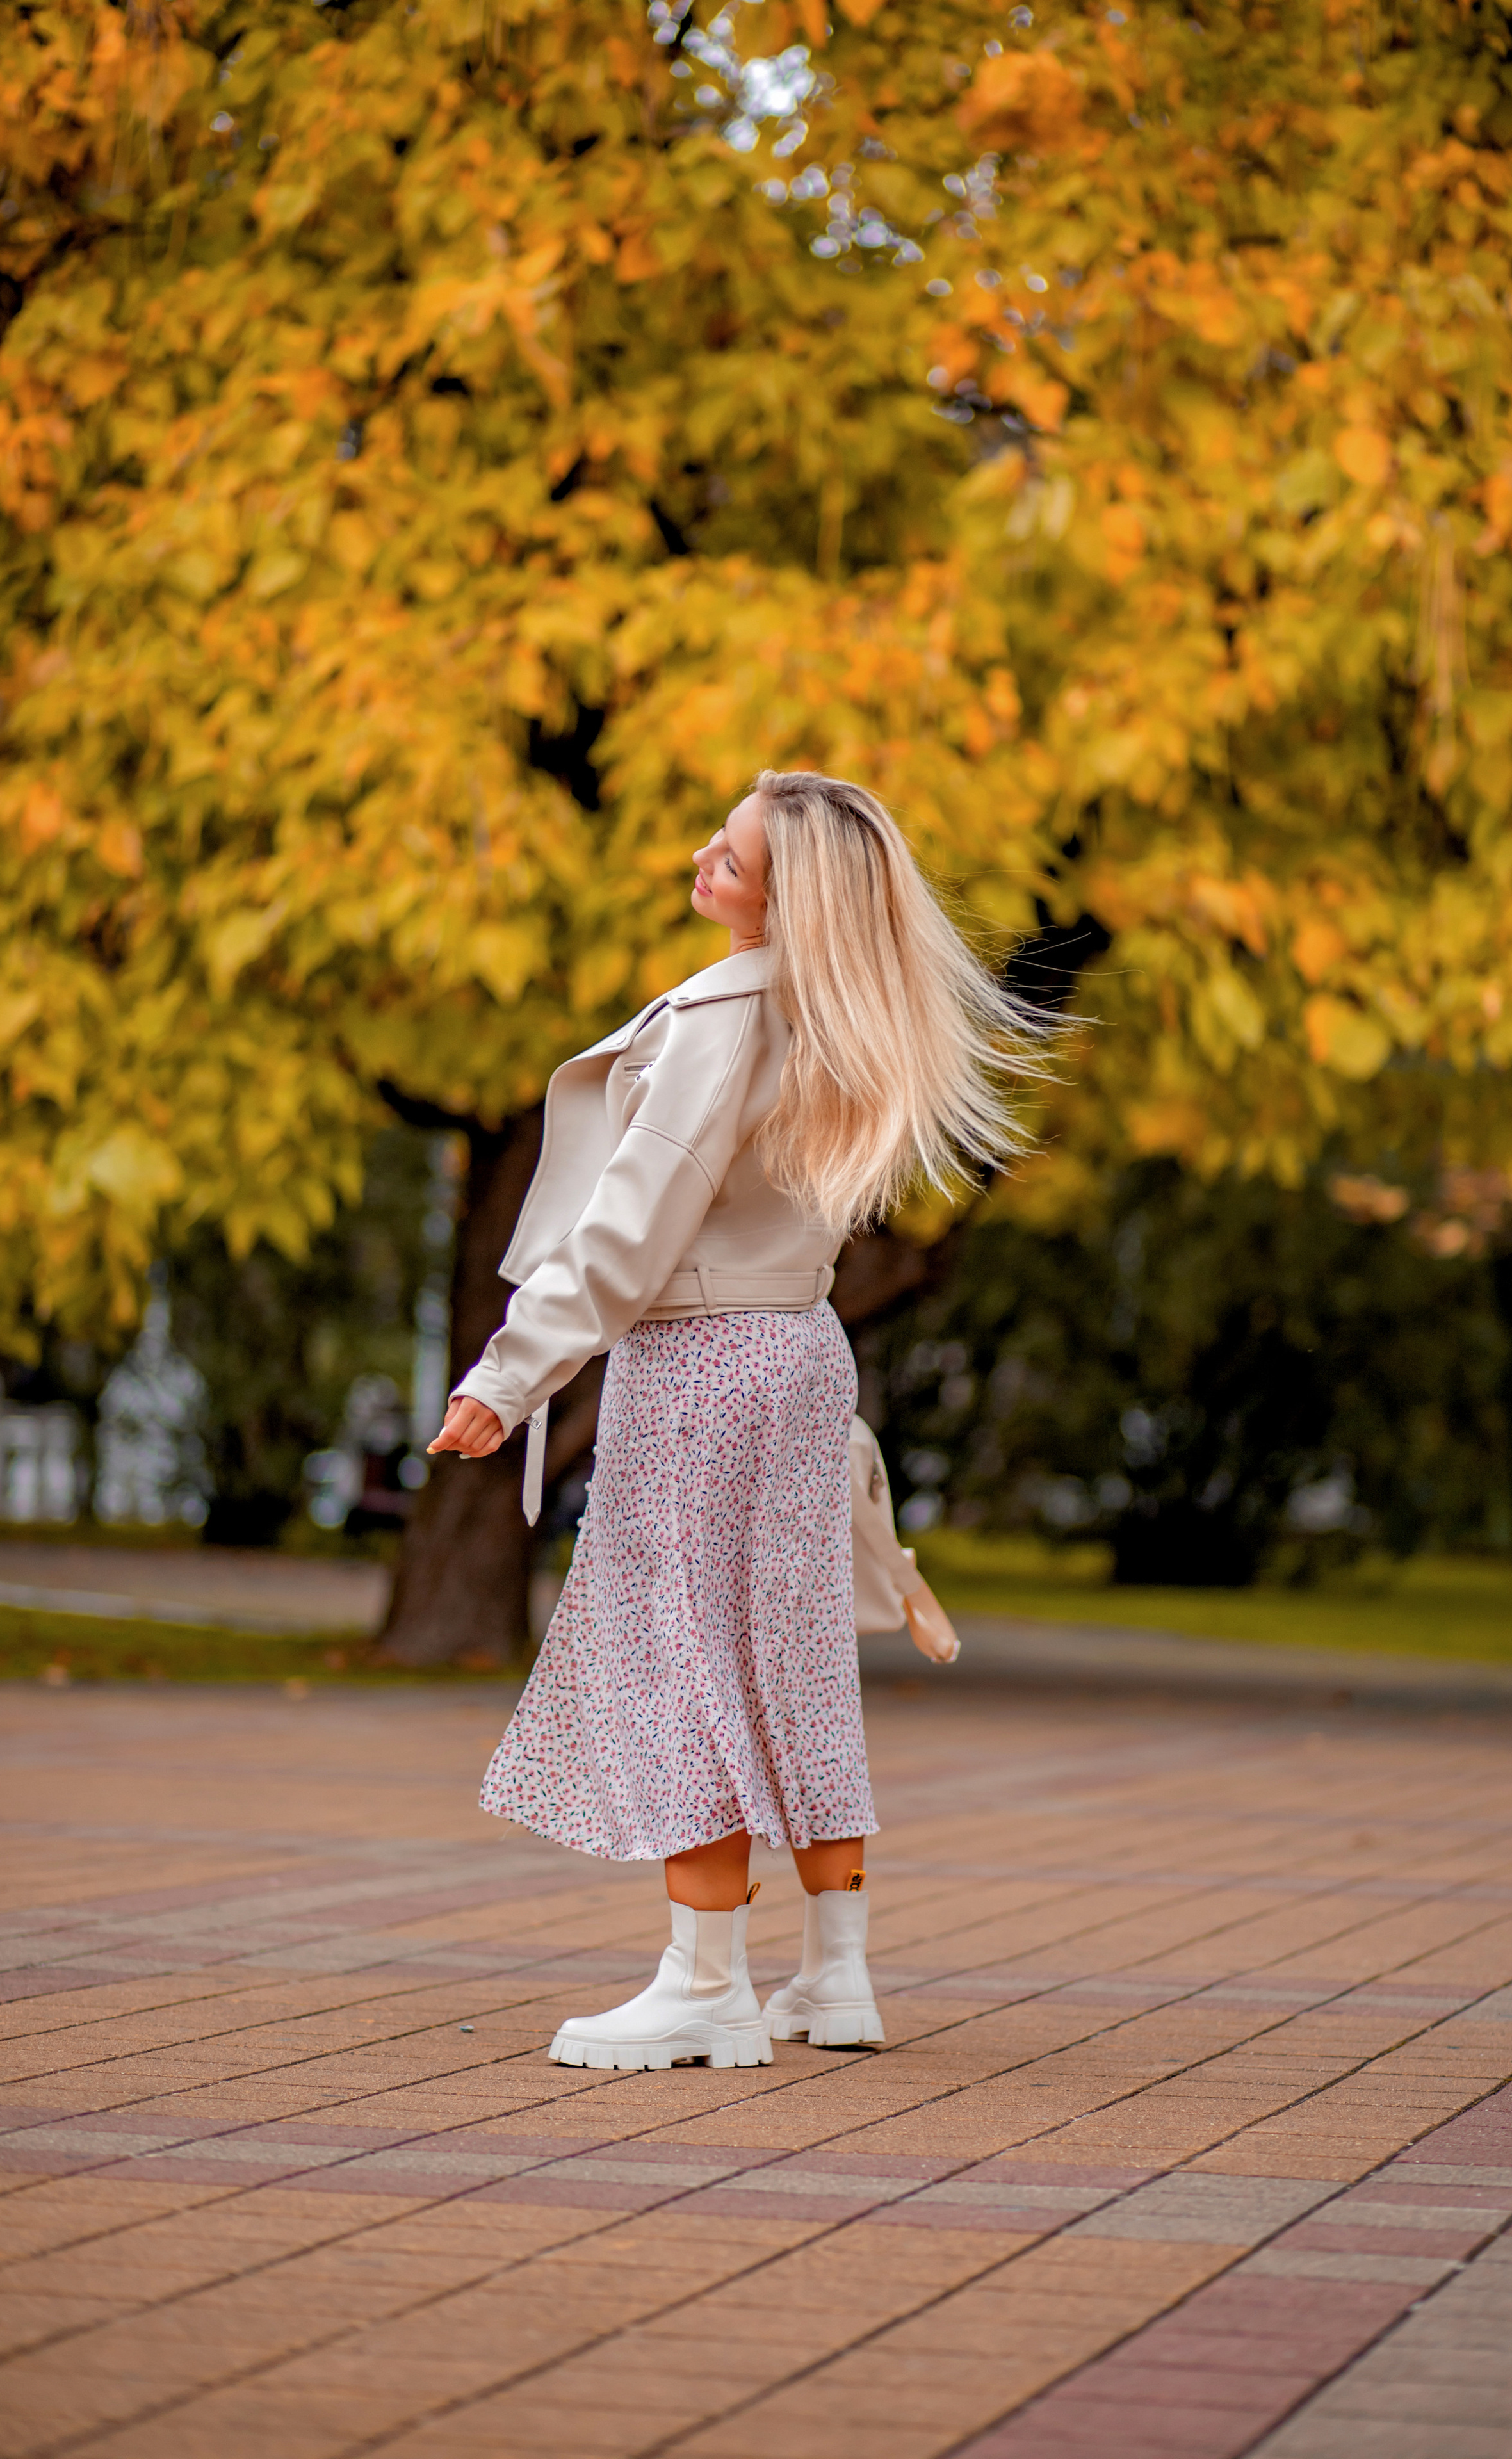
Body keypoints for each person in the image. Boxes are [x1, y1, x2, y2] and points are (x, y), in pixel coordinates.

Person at [428, 768, 1043, 2071]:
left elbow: (626, 1228)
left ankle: (702, 1981)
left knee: (676, 1656)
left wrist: (505, 1376)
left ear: (791, 894)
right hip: (796, 1353)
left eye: (733, 849)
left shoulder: (725, 1017)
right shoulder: (838, 1020)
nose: (702, 854)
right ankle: (836, 1976)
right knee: (789, 1660)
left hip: (699, 1361)